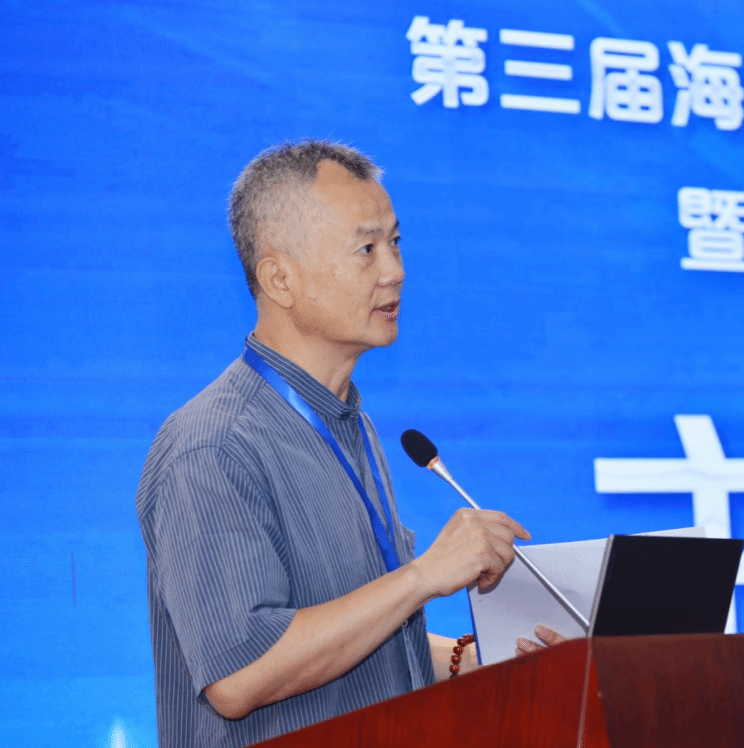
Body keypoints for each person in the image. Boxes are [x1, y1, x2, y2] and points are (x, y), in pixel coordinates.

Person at [135, 140, 562, 748]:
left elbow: (354, 644)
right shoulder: (214, 447)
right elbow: (241, 672)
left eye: (396, 242)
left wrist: (479, 659)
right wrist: (423, 577)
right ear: (279, 278)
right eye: (366, 249)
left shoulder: (347, 423)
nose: (395, 270)